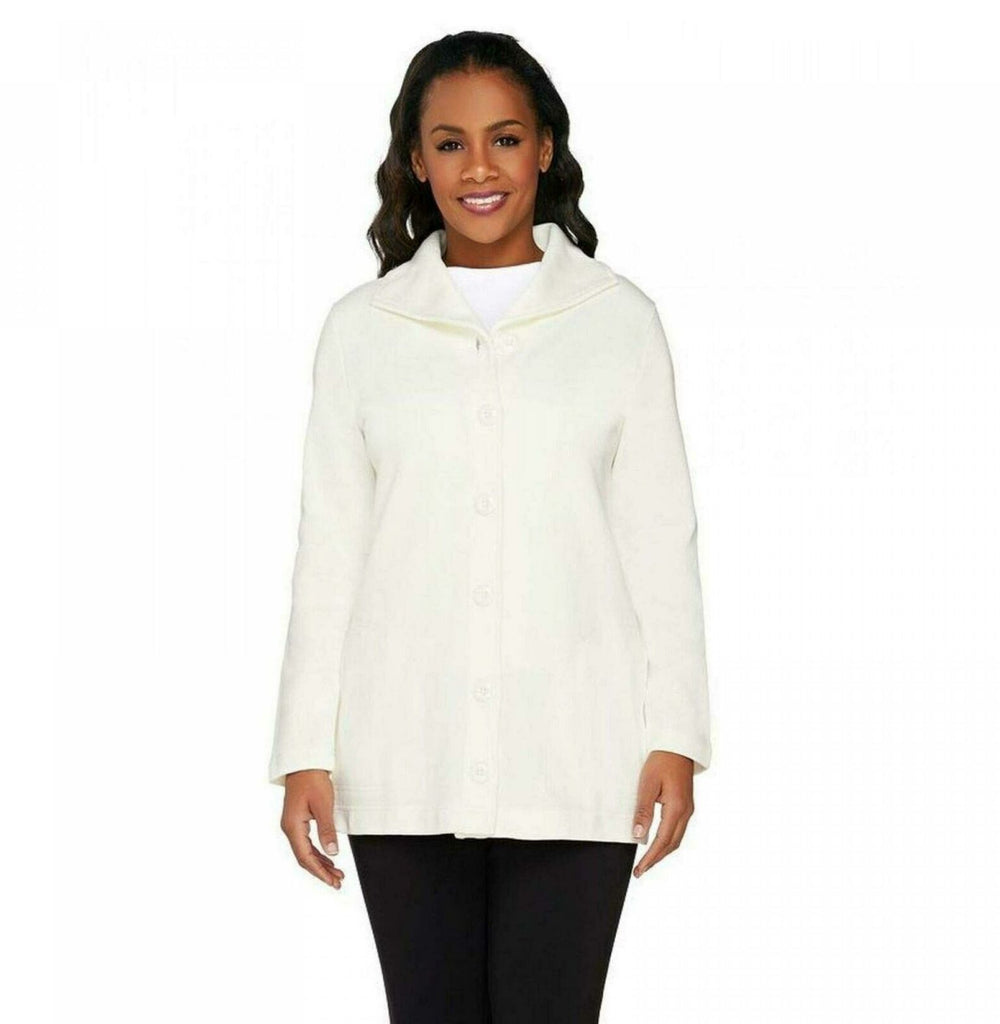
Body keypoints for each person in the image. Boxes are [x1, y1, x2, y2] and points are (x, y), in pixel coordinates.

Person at [268, 30, 712, 1024]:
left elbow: (661, 544)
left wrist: (676, 735)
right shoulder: (362, 330)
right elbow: (328, 551)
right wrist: (303, 748)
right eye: (450, 143)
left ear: (544, 148)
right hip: (405, 751)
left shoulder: (618, 322)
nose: (479, 167)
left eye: (504, 138)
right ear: (416, 160)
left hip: (578, 754)